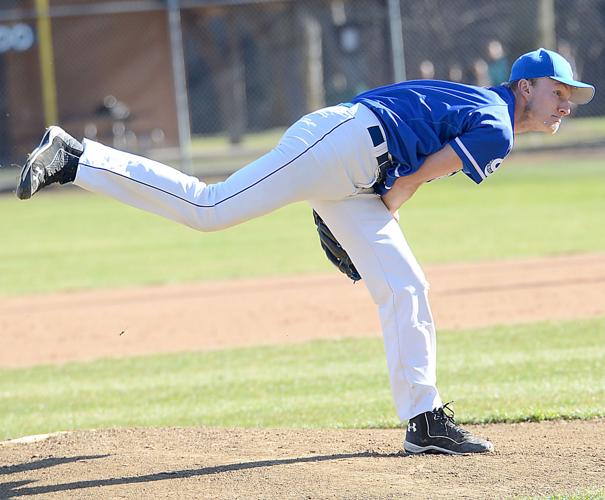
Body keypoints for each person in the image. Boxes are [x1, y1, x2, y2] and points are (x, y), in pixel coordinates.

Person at [16, 48, 594, 455]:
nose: (567, 104)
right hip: (342, 151)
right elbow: (412, 181)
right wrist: (354, 217)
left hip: (355, 165)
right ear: (525, 86)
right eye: (559, 92)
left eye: (573, 96)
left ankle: (425, 419)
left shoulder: (481, 101)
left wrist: (352, 215)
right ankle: (77, 157)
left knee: (406, 285)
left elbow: (406, 155)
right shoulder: (497, 125)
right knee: (210, 208)